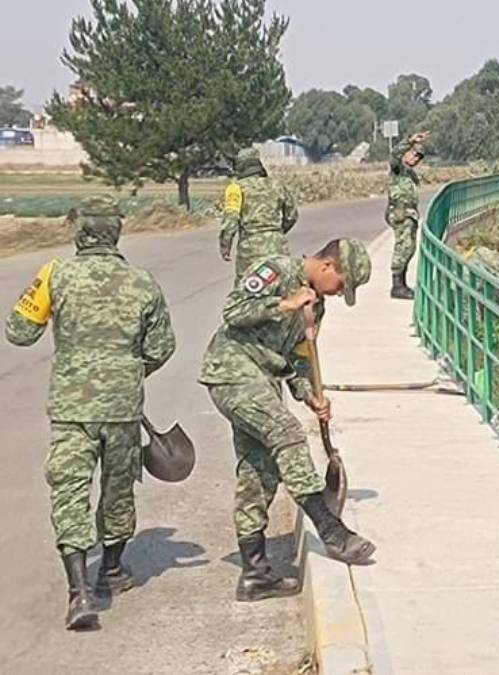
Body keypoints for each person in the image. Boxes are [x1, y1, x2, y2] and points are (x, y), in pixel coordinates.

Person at [5, 195, 176, 630]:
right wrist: (126, 372)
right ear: (117, 232)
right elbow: (161, 347)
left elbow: (18, 332)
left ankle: (79, 591)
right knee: (118, 489)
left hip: (71, 405)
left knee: (69, 489)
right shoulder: (142, 281)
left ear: (79, 232)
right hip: (122, 406)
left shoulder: (54, 275)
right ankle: (112, 571)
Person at [199, 238, 376, 602]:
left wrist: (310, 393)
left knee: (258, 471)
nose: (341, 293)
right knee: (287, 433)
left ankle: (255, 573)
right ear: (328, 266)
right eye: (342, 285)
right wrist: (285, 304)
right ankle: (331, 530)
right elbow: (233, 311)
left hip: (263, 381)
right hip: (231, 371)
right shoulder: (276, 270)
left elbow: (297, 359)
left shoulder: (318, 308)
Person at [219, 147, 299, 278]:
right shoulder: (276, 185)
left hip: (250, 250)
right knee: (283, 285)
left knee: (248, 289)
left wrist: (225, 246)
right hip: (277, 247)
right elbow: (292, 215)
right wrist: (275, 232)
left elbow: (230, 221)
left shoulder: (235, 188)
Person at [385, 131, 429, 299]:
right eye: (413, 155)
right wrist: (410, 141)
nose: (415, 159)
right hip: (400, 212)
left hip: (410, 214)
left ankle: (402, 283)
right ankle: (396, 286)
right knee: (402, 248)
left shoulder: (411, 174)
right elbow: (394, 154)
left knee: (409, 249)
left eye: (419, 158)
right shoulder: (398, 168)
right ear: (407, 153)